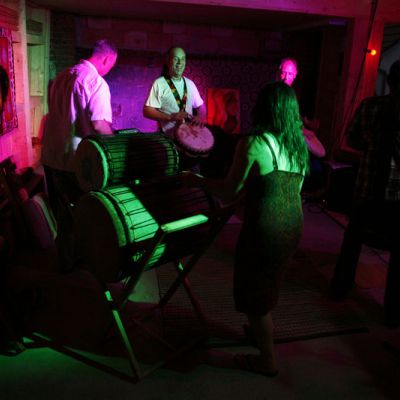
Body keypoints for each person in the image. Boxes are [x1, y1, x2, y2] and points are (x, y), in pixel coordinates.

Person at [184, 82, 309, 376]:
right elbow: (285, 190)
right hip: (293, 224)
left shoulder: (254, 143)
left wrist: (196, 181)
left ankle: (267, 360)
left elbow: (229, 191)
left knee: (253, 294)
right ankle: (259, 332)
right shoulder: (298, 146)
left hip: (265, 227)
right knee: (268, 283)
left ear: (262, 108)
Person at [329, 59, 400, 327]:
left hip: (366, 188)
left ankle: (339, 289)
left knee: (352, 241)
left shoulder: (370, 106)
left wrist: (372, 147)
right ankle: (393, 313)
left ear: (389, 82)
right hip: (396, 196)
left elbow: (352, 139)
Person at [41, 39, 118, 271]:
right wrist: (116, 145)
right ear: (106, 58)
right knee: (82, 215)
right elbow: (99, 125)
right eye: (112, 65)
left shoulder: (62, 76)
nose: (110, 70)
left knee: (62, 215)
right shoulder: (96, 82)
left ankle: (64, 264)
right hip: (76, 161)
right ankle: (82, 266)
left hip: (51, 156)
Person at [143, 47, 206, 171]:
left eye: (183, 59)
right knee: (172, 178)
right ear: (168, 61)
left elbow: (201, 106)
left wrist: (200, 116)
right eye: (176, 59)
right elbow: (146, 110)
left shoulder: (190, 84)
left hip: (190, 141)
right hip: (169, 143)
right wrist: (170, 117)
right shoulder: (159, 83)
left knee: (193, 177)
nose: (180, 63)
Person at [278, 58, 326, 193]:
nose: (286, 77)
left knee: (320, 155)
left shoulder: (291, 93)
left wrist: (307, 123)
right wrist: (304, 132)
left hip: (297, 132)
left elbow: (293, 116)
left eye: (290, 74)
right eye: (283, 72)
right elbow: (283, 120)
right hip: (287, 135)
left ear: (295, 75)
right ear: (279, 72)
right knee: (317, 158)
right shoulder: (277, 93)